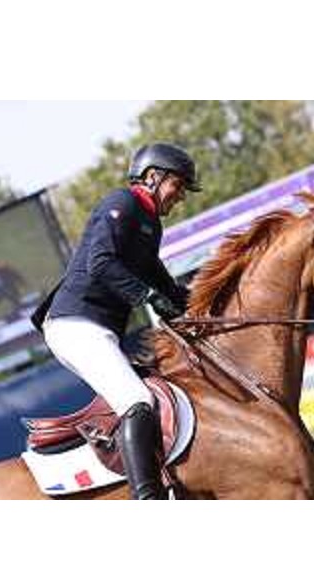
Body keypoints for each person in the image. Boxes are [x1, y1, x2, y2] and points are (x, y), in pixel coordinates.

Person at [31, 143, 201, 500]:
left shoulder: (149, 224)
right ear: (153, 177)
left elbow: (162, 281)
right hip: (74, 326)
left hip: (97, 330)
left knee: (157, 391)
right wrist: (148, 297)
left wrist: (194, 304)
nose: (180, 196)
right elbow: (101, 263)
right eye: (178, 186)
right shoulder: (122, 203)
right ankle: (147, 498)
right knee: (137, 400)